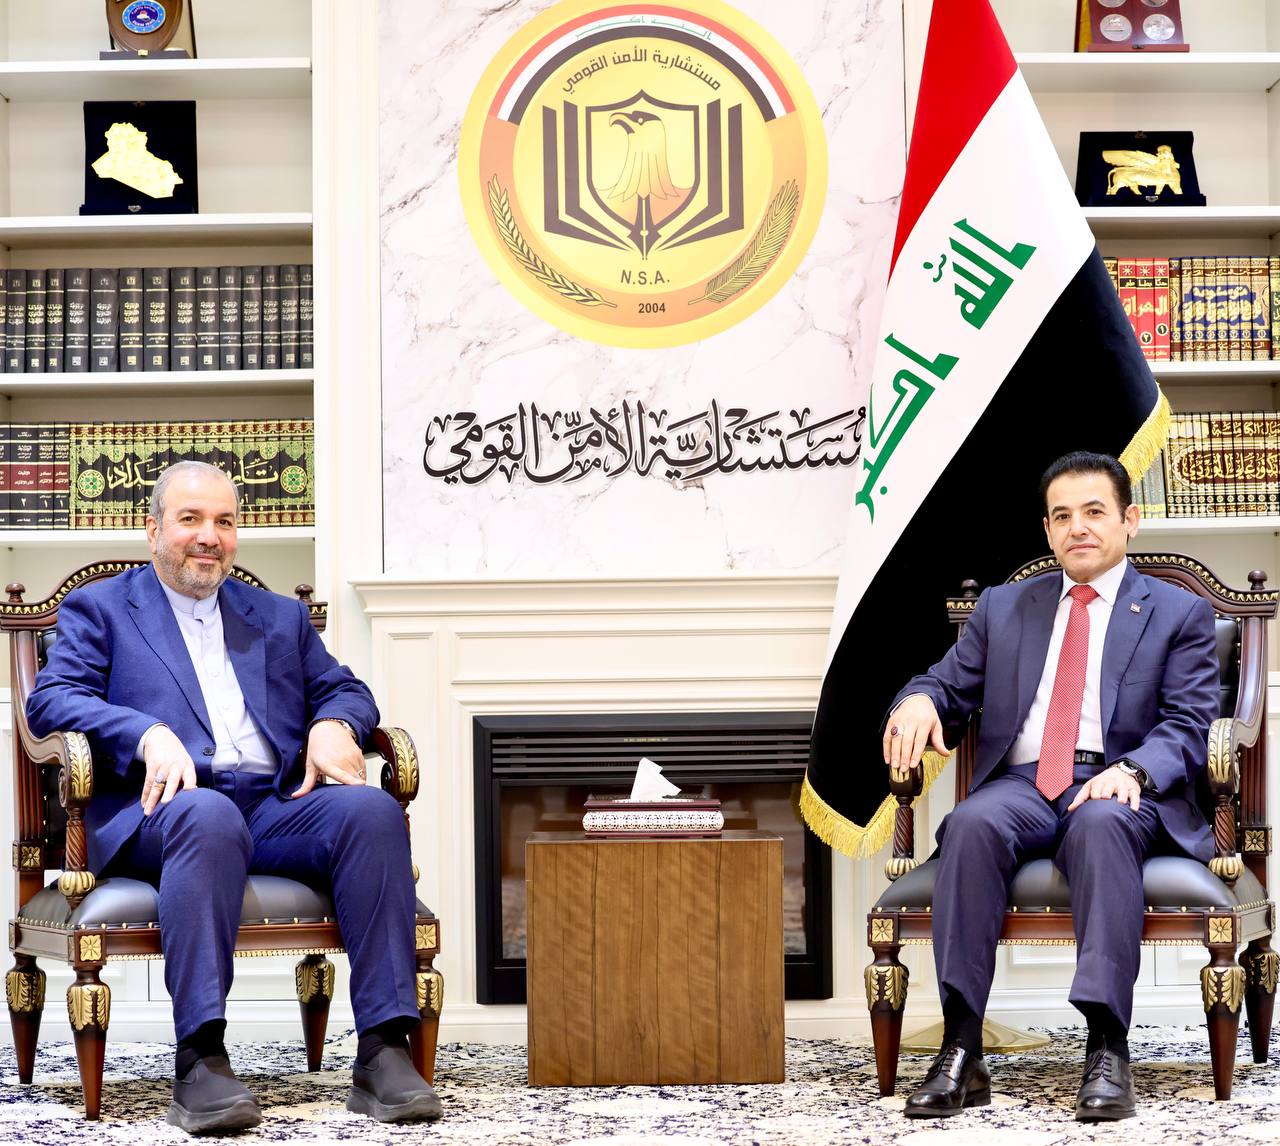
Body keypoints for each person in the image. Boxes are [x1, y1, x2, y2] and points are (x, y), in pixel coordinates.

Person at [26, 461, 442, 1133]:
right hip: (164, 810)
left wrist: (334, 725)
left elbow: (344, 688)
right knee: (207, 813)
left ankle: (383, 1051)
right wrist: (146, 733)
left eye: (224, 521)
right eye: (190, 520)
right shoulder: (103, 608)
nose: (209, 537)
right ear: (153, 530)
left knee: (369, 810)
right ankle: (201, 1059)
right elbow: (52, 700)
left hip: (272, 806)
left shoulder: (276, 616)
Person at [883, 451, 1218, 1122]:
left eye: (1094, 512)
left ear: (1129, 520)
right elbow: (945, 683)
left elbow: (1190, 722)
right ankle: (961, 1048)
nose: (1078, 528)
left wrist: (1133, 770)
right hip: (1026, 783)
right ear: (1047, 529)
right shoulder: (1005, 607)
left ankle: (1107, 1045)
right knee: (972, 823)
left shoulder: (1179, 612)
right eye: (1062, 516)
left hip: (1124, 784)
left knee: (1101, 823)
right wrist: (918, 700)